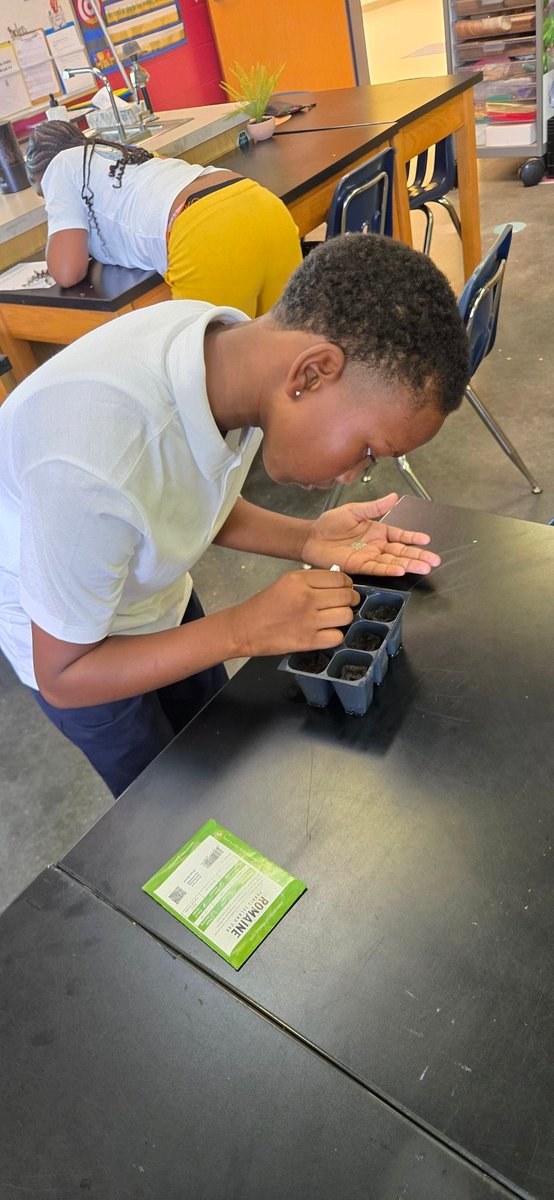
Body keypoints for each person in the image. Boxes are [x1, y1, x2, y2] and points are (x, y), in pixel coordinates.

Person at [0, 233, 470, 796]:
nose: (354, 476)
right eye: (368, 451)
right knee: (163, 806)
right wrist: (241, 629)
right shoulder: (92, 465)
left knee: (220, 754)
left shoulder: (229, 357)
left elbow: (175, 498)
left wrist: (307, 538)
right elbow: (64, 676)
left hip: (155, 595)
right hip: (77, 652)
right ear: (312, 373)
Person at [25, 119, 302, 316]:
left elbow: (67, 271)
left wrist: (53, 205)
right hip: (258, 201)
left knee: (214, 381)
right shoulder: (118, 151)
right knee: (294, 351)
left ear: (39, 175)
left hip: (207, 232)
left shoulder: (60, 166)